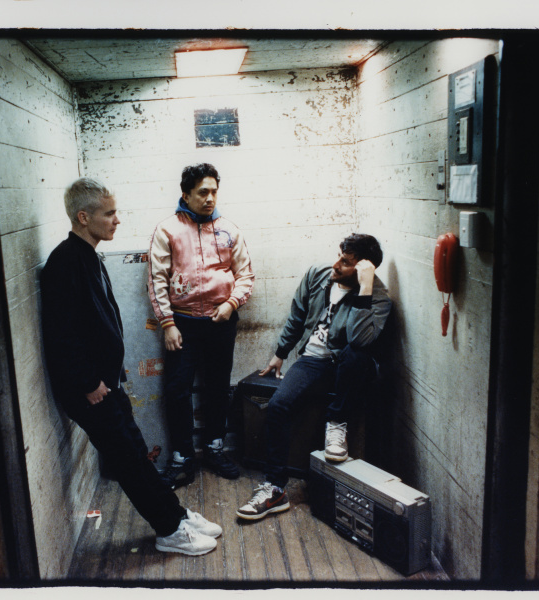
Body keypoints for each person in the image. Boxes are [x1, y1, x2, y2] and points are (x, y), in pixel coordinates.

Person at [41, 178, 222, 555]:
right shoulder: (65, 261)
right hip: (90, 390)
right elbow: (61, 334)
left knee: (138, 455)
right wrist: (89, 381)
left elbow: (96, 326)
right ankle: (169, 531)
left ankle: (176, 515)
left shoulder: (89, 256)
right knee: (128, 462)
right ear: (83, 217)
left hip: (107, 383)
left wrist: (111, 372)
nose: (117, 220)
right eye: (109, 213)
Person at [236, 233, 392, 521]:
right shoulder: (317, 275)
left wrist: (365, 288)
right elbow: (297, 316)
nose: (336, 265)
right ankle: (275, 489)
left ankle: (337, 424)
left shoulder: (379, 298)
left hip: (348, 365)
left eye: (346, 262)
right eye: (339, 256)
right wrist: (280, 352)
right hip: (313, 362)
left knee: (356, 354)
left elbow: (359, 339)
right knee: (279, 405)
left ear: (363, 269)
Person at [148, 163, 255, 489]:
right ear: (186, 194)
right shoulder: (167, 230)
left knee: (219, 387)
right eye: (202, 192)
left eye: (214, 192)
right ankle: (182, 457)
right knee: (177, 389)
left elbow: (245, 275)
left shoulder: (229, 230)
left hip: (222, 321)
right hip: (182, 323)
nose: (210, 198)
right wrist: (168, 324)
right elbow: (157, 280)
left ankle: (214, 448)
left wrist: (231, 304)